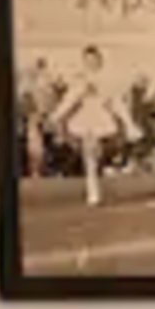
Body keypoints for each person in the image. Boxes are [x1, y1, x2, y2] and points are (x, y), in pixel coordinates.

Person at [54, 46, 130, 208]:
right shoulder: (80, 78)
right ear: (84, 61)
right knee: (89, 155)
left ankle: (100, 171)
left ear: (99, 61)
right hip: (85, 117)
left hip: (101, 117)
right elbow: (70, 99)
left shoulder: (107, 79)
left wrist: (129, 123)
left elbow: (115, 102)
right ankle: (93, 192)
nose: (91, 63)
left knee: (96, 154)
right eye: (88, 60)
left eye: (94, 60)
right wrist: (57, 115)